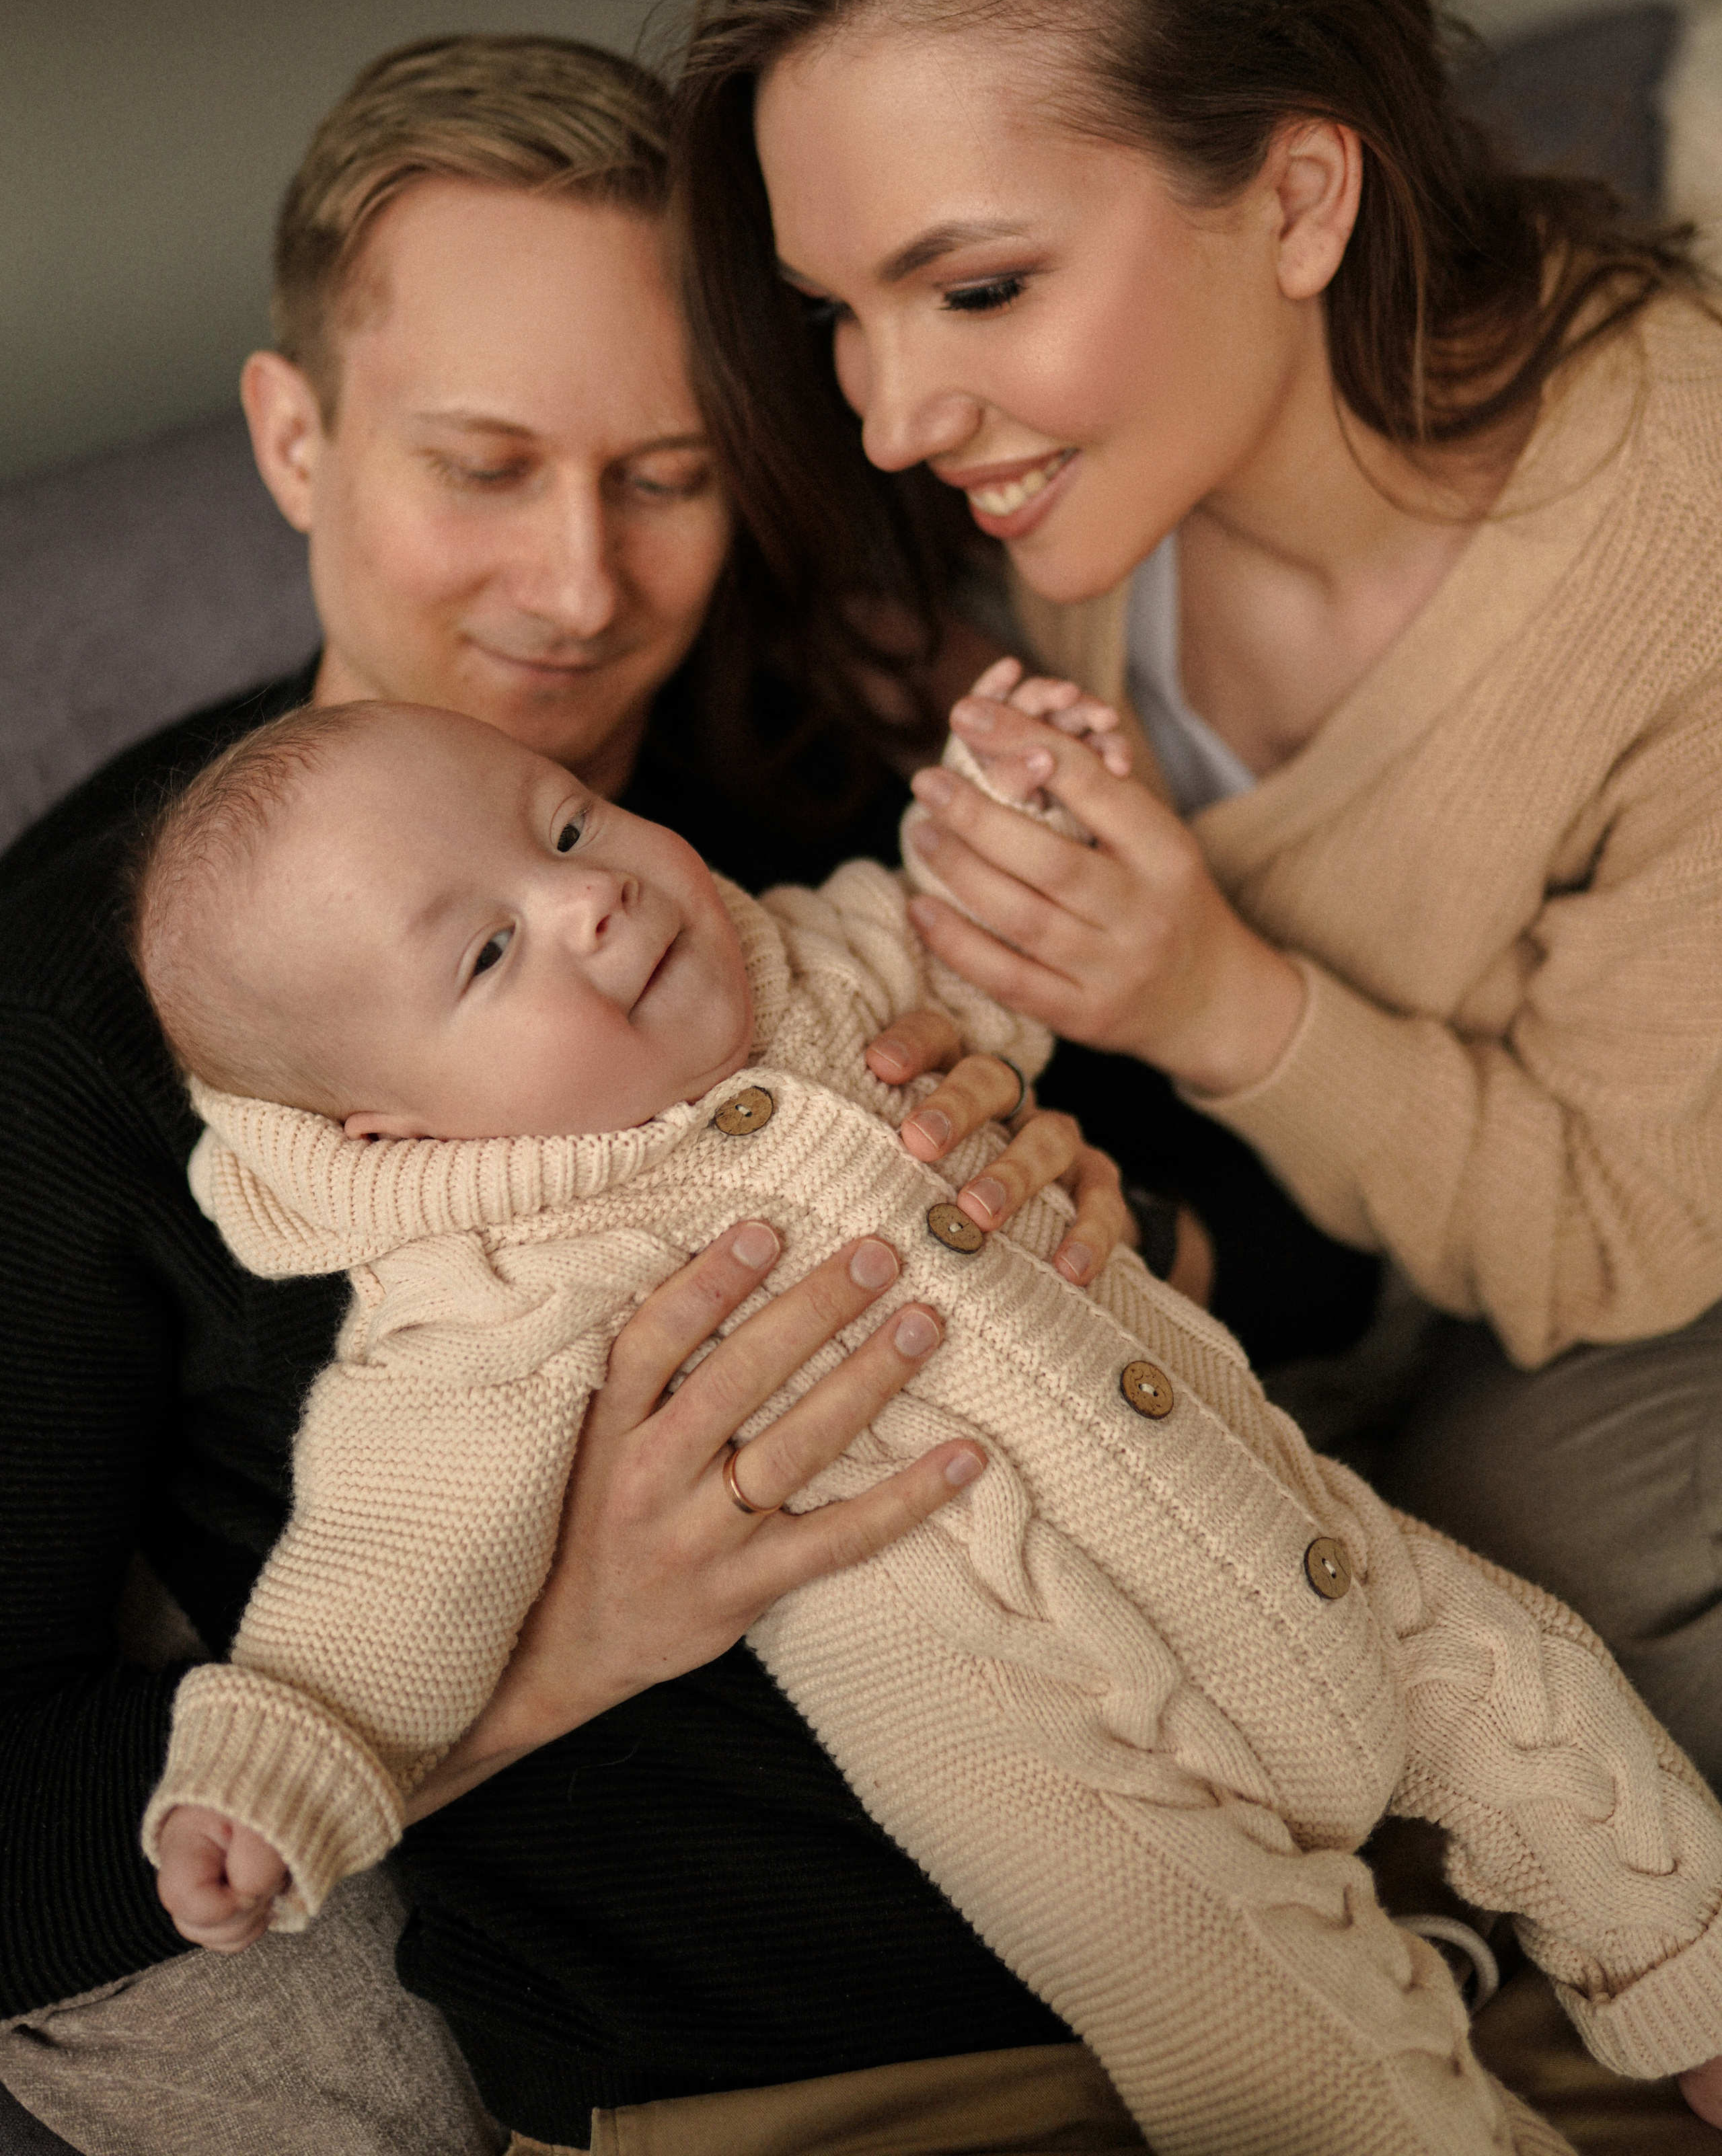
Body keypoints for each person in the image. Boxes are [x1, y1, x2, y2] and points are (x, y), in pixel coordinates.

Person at [0, 35, 1142, 2156]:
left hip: (1301, 1865)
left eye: (669, 474)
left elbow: (1282, 1271)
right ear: (295, 440)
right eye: (481, 464)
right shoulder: (75, 1031)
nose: (579, 591)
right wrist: (555, 1648)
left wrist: (1116, 1225)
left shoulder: (784, 785)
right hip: (785, 2065)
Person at [118, 692, 1722, 2153]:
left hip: (1310, 1543)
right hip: (1065, 1762)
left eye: (563, 827)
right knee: (1297, 2054)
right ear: (392, 1126)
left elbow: (961, 918)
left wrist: (1016, 804)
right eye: (483, 956)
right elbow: (391, 1552)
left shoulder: (814, 963)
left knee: (1542, 1696)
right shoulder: (480, 1292)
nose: (585, 897)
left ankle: (1695, 2001)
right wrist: (280, 1755)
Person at [670, 0, 1722, 1790]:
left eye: (973, 290)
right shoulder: (1079, 498)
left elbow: (1617, 1234)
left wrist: (1218, 999)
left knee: (1538, 1522)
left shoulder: (1671, 561)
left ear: (1306, 197)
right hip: (1329, 1251)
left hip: (1640, 1249)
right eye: (834, 313)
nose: (887, 414)